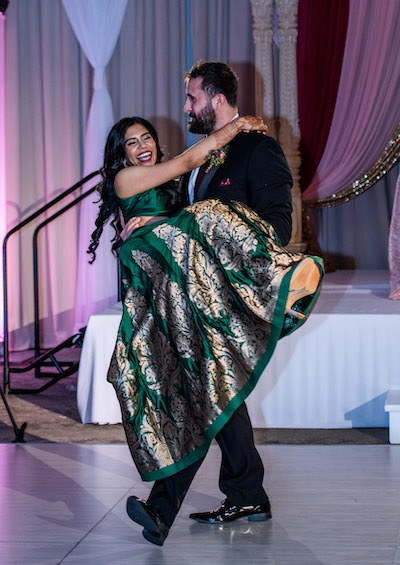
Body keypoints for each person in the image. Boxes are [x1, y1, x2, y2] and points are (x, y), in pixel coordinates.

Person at [88, 109, 323, 546]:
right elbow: (183, 165)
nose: (142, 147)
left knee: (207, 387)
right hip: (158, 301)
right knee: (207, 388)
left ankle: (186, 503)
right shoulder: (127, 180)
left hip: (185, 297)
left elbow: (187, 226)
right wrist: (234, 127)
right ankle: (244, 492)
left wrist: (160, 222)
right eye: (132, 143)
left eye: (147, 139)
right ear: (120, 155)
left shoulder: (170, 189)